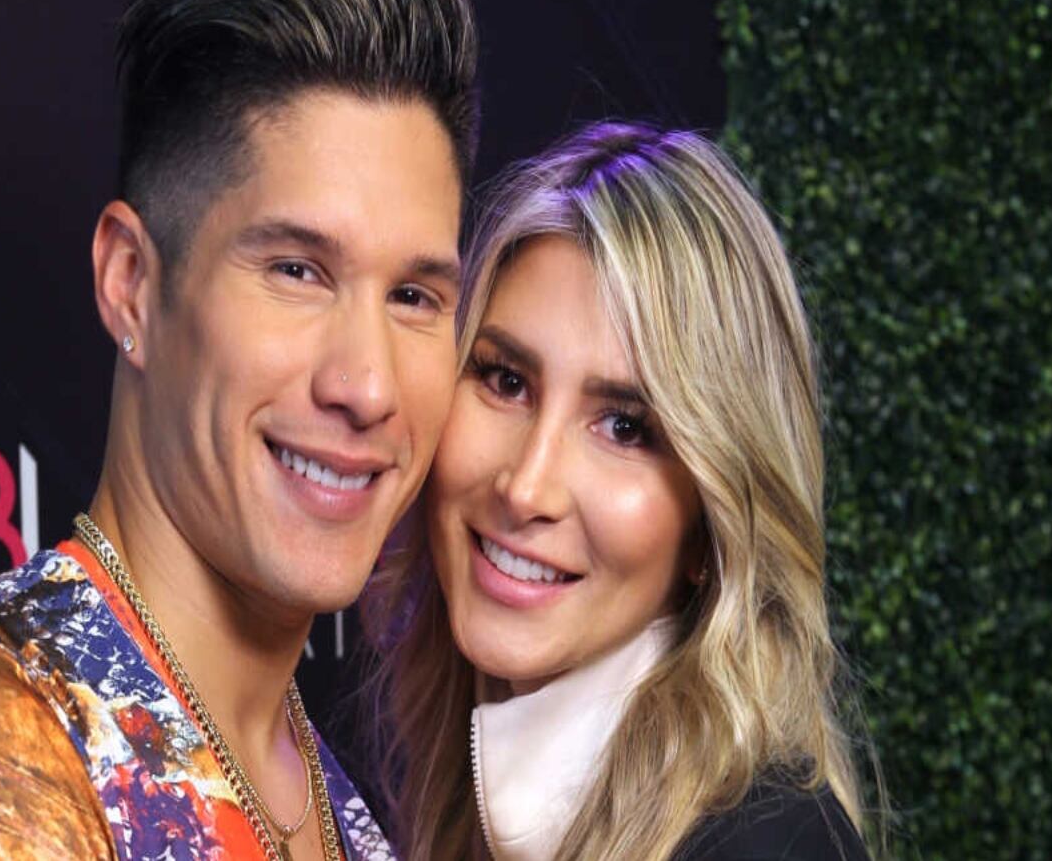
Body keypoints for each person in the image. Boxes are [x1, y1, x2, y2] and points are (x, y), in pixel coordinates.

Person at [0, 0, 477, 859]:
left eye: (413, 296)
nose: (367, 387)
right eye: (297, 271)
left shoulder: (329, 801)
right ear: (131, 283)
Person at [362, 122, 878, 860]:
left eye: (626, 429)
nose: (526, 488)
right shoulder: (481, 786)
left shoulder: (765, 845)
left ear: (710, 529)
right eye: (506, 380)